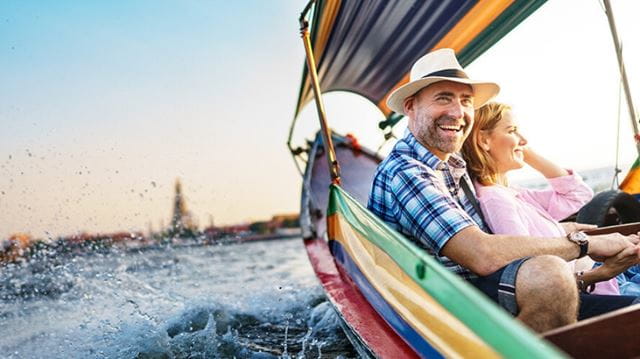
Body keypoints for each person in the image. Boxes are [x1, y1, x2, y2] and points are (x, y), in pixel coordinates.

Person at [367, 48, 640, 333]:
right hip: (442, 306)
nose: (458, 112)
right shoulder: (407, 172)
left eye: (466, 101)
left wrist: (572, 236)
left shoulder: (454, 164)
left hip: (481, 289)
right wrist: (585, 243)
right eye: (443, 98)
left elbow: (520, 229)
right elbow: (482, 254)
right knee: (550, 274)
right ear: (411, 107)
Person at [460, 102, 633, 295]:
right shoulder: (495, 200)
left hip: (612, 278)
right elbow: (530, 264)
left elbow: (578, 195)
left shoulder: (513, 194)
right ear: (483, 140)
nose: (524, 140)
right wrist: (601, 271)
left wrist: (525, 152)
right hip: (598, 286)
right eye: (512, 130)